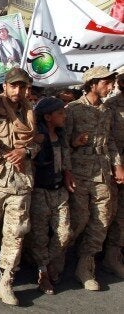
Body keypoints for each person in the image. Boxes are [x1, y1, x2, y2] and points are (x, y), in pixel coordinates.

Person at [0, 68, 37, 306]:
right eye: (13, 86)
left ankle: (6, 281)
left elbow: (39, 142)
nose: (18, 91)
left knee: (15, 234)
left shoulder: (31, 112)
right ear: (4, 86)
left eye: (22, 86)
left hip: (22, 181)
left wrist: (26, 151)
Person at [65, 66, 123, 291]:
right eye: (106, 83)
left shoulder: (106, 111)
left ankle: (85, 266)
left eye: (111, 83)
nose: (110, 87)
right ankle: (53, 261)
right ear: (93, 84)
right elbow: (63, 143)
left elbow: (109, 142)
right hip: (79, 173)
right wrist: (68, 168)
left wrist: (117, 165)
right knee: (79, 220)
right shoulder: (73, 109)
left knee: (101, 220)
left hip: (102, 172)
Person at [27, 97, 73, 295]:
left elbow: (65, 157)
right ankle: (43, 272)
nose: (64, 116)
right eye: (60, 113)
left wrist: (67, 172)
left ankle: (47, 263)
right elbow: (29, 154)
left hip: (59, 190)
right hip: (40, 192)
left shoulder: (61, 135)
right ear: (47, 117)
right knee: (39, 237)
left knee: (64, 234)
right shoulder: (39, 137)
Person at [103, 67, 124, 278]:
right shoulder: (111, 106)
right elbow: (108, 140)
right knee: (115, 213)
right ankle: (109, 256)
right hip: (114, 166)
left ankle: (113, 254)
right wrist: (117, 165)